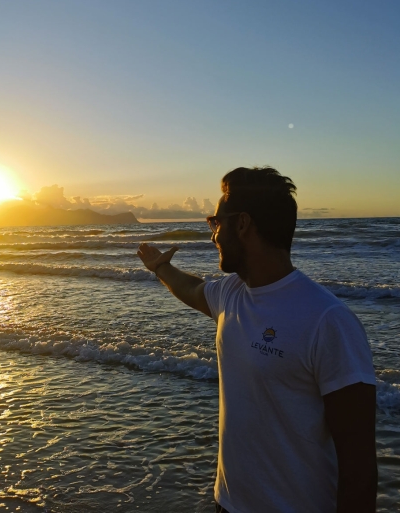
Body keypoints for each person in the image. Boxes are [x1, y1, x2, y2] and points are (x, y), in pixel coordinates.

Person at [137, 166, 377, 513]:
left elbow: (359, 467)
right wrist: (159, 268)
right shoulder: (232, 294)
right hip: (228, 503)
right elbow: (191, 289)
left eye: (216, 224)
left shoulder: (328, 321)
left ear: (243, 224)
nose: (213, 236)